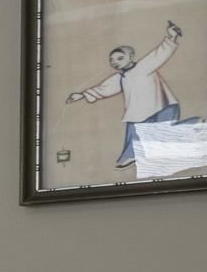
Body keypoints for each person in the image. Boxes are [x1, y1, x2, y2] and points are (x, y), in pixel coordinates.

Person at [67, 20, 187, 170]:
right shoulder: (120, 77)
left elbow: (159, 54)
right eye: (111, 60)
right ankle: (132, 156)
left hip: (162, 105)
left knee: (163, 133)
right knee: (135, 132)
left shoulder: (144, 66)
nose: (115, 62)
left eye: (120, 58)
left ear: (131, 57)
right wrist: (82, 95)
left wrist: (172, 37)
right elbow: (104, 88)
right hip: (139, 110)